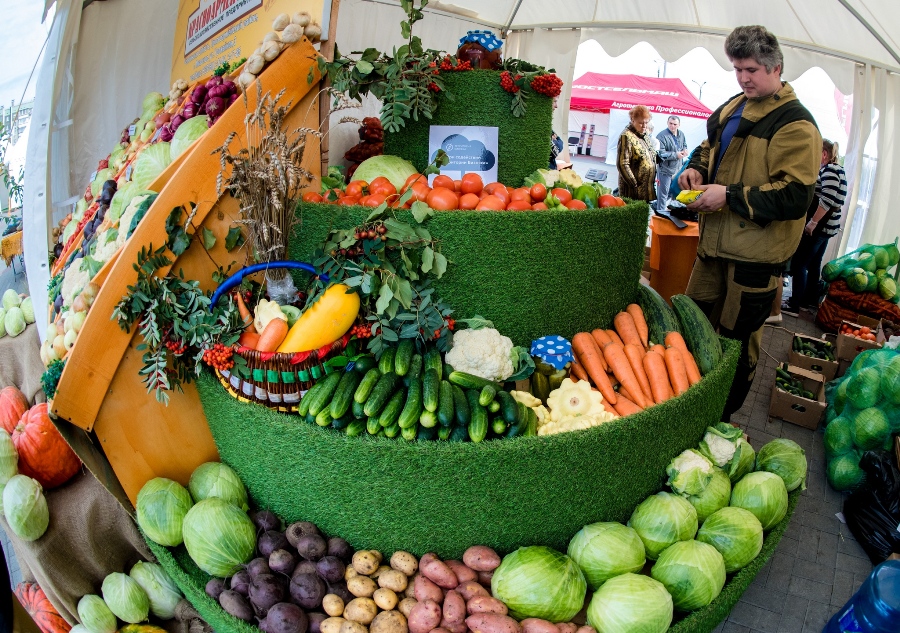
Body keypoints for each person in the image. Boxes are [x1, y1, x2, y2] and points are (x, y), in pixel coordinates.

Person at [678, 25, 822, 420]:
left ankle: (722, 417)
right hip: (713, 249)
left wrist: (728, 195)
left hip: (754, 263)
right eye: (738, 69)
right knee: (694, 327)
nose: (743, 78)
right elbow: (709, 149)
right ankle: (687, 405)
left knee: (736, 345)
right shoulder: (730, 107)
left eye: (752, 70)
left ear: (776, 68)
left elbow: (795, 197)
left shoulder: (796, 125)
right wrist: (695, 169)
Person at [782, 139, 848, 314]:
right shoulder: (836, 169)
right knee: (813, 263)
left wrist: (813, 223)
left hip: (821, 228)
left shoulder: (831, 170)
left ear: (824, 154)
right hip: (827, 229)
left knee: (800, 264)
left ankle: (794, 304)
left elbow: (827, 200)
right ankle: (808, 300)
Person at [616, 105, 657, 201]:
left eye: (646, 122)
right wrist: (634, 184)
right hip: (633, 192)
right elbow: (622, 164)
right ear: (632, 120)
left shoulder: (644, 134)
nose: (644, 126)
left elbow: (649, 152)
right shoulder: (626, 136)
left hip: (646, 189)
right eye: (641, 123)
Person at [656, 116, 689, 214]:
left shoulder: (681, 134)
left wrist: (685, 150)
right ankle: (660, 215)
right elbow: (660, 153)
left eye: (675, 124)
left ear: (679, 125)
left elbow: (684, 145)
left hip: (678, 169)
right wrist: (675, 155)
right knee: (663, 195)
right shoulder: (661, 136)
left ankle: (673, 214)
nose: (672, 126)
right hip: (665, 170)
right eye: (670, 123)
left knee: (674, 193)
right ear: (667, 123)